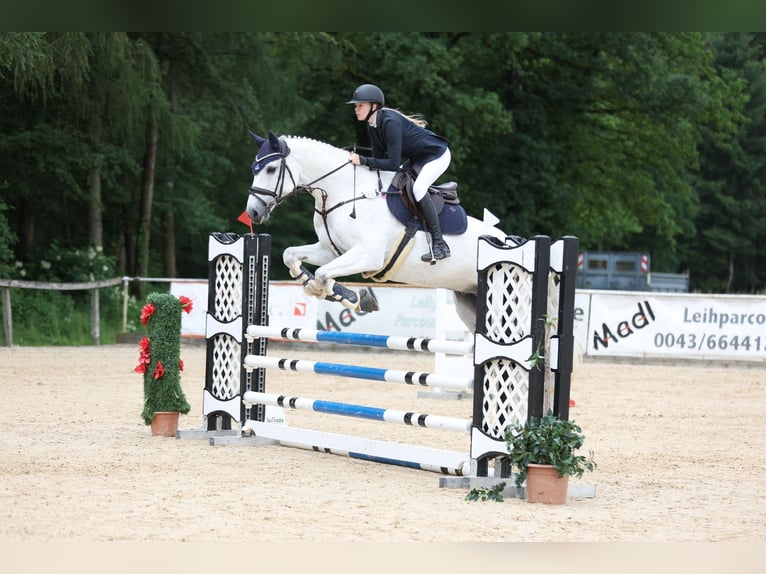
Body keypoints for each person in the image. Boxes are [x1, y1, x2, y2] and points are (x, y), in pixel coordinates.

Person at [347, 83, 451, 262]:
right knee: (393, 182)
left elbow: (393, 163)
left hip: (437, 155)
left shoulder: (390, 122)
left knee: (418, 189)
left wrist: (362, 160)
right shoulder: (373, 124)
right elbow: (379, 160)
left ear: (374, 106)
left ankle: (440, 245)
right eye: (356, 106)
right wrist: (363, 164)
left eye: (360, 105)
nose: (356, 109)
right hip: (418, 158)